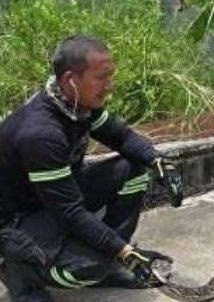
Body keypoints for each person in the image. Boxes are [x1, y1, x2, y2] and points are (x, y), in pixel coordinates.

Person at [0, 35, 176, 301]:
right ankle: (20, 272)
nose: (110, 86)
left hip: (52, 200)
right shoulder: (41, 133)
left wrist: (159, 161)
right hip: (17, 220)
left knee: (134, 168)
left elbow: (122, 138)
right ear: (71, 79)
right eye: (102, 78)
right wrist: (123, 251)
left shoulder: (78, 105)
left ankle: (111, 259)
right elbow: (70, 212)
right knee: (91, 268)